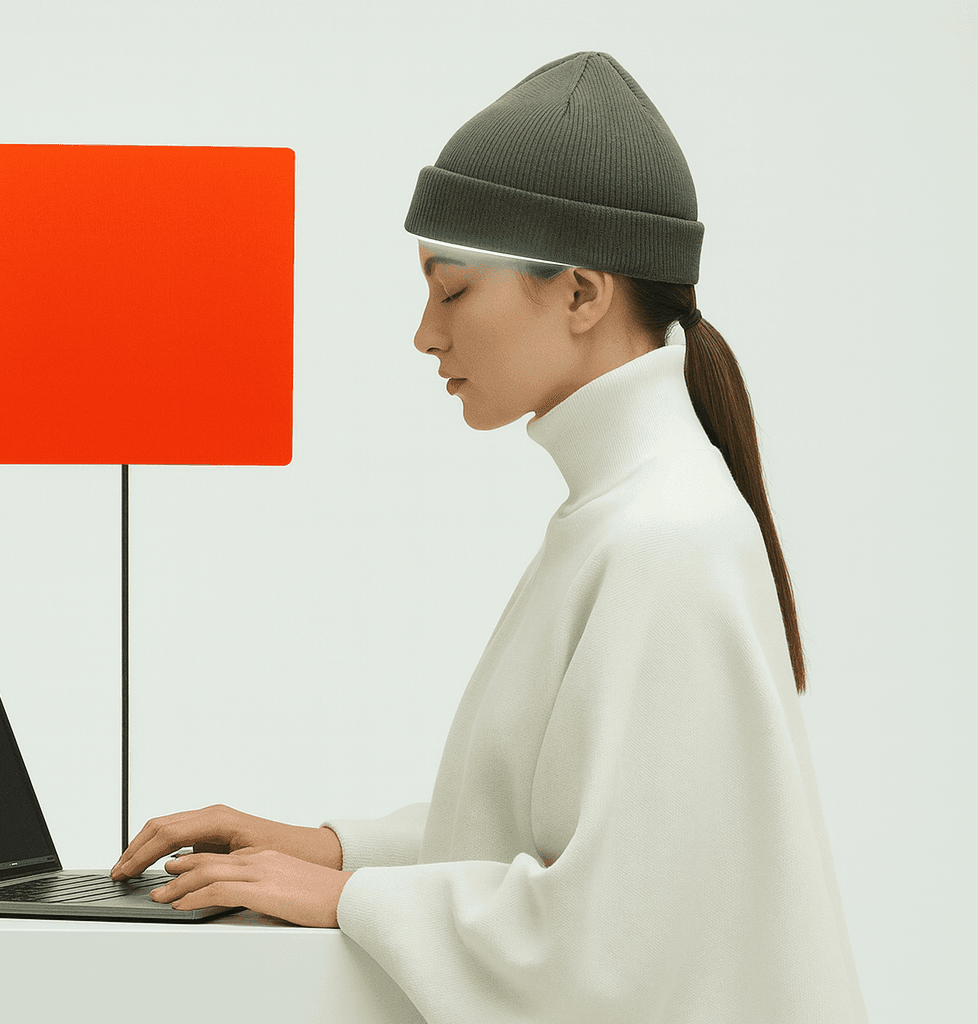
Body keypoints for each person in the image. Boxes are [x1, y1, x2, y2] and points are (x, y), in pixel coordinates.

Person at [112, 52, 866, 1022]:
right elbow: (547, 840)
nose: (425, 334)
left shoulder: (665, 535)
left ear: (583, 294)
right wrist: (326, 848)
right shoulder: (623, 513)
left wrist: (348, 897)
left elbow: (614, 943)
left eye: (454, 291)